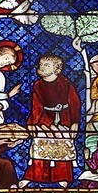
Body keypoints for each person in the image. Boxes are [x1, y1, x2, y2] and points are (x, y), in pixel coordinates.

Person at [26, 53, 81, 183]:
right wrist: (32, 123)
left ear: (56, 68)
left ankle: (63, 177)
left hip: (64, 117)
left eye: (46, 65)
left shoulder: (66, 83)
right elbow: (36, 106)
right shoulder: (37, 85)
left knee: (62, 139)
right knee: (40, 139)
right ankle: (35, 176)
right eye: (41, 64)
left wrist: (75, 122)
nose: (42, 67)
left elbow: (75, 103)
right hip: (44, 118)